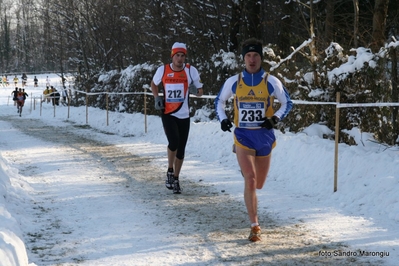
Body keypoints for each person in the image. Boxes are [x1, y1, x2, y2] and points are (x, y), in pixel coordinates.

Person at [214, 38, 293, 242]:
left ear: (261, 58)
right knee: (250, 179)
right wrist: (223, 119)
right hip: (243, 136)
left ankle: (248, 171)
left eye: (255, 55)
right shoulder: (234, 81)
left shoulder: (271, 81)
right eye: (248, 55)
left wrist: (275, 118)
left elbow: (287, 103)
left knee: (258, 184)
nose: (252, 59)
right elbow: (219, 102)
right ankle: (254, 225)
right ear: (243, 59)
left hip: (264, 137)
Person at [150, 42, 203, 194]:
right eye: (177, 56)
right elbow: (154, 84)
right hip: (168, 112)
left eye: (182, 56)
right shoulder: (163, 69)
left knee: (181, 150)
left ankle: (176, 178)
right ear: (172, 56)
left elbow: (200, 91)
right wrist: (156, 98)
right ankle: (169, 170)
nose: (180, 59)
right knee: (173, 142)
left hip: (184, 114)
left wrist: (196, 90)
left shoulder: (190, 70)